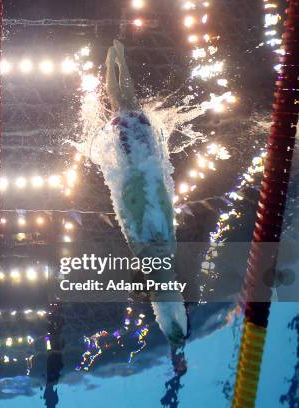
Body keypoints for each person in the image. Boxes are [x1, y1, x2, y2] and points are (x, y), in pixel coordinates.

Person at [104, 40, 187, 346]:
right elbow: (163, 287)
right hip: (141, 166)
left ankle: (117, 59)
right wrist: (173, 325)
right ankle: (116, 59)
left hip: (142, 163)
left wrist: (174, 327)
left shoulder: (158, 251)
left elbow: (164, 286)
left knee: (124, 99)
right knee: (123, 100)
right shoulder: (152, 250)